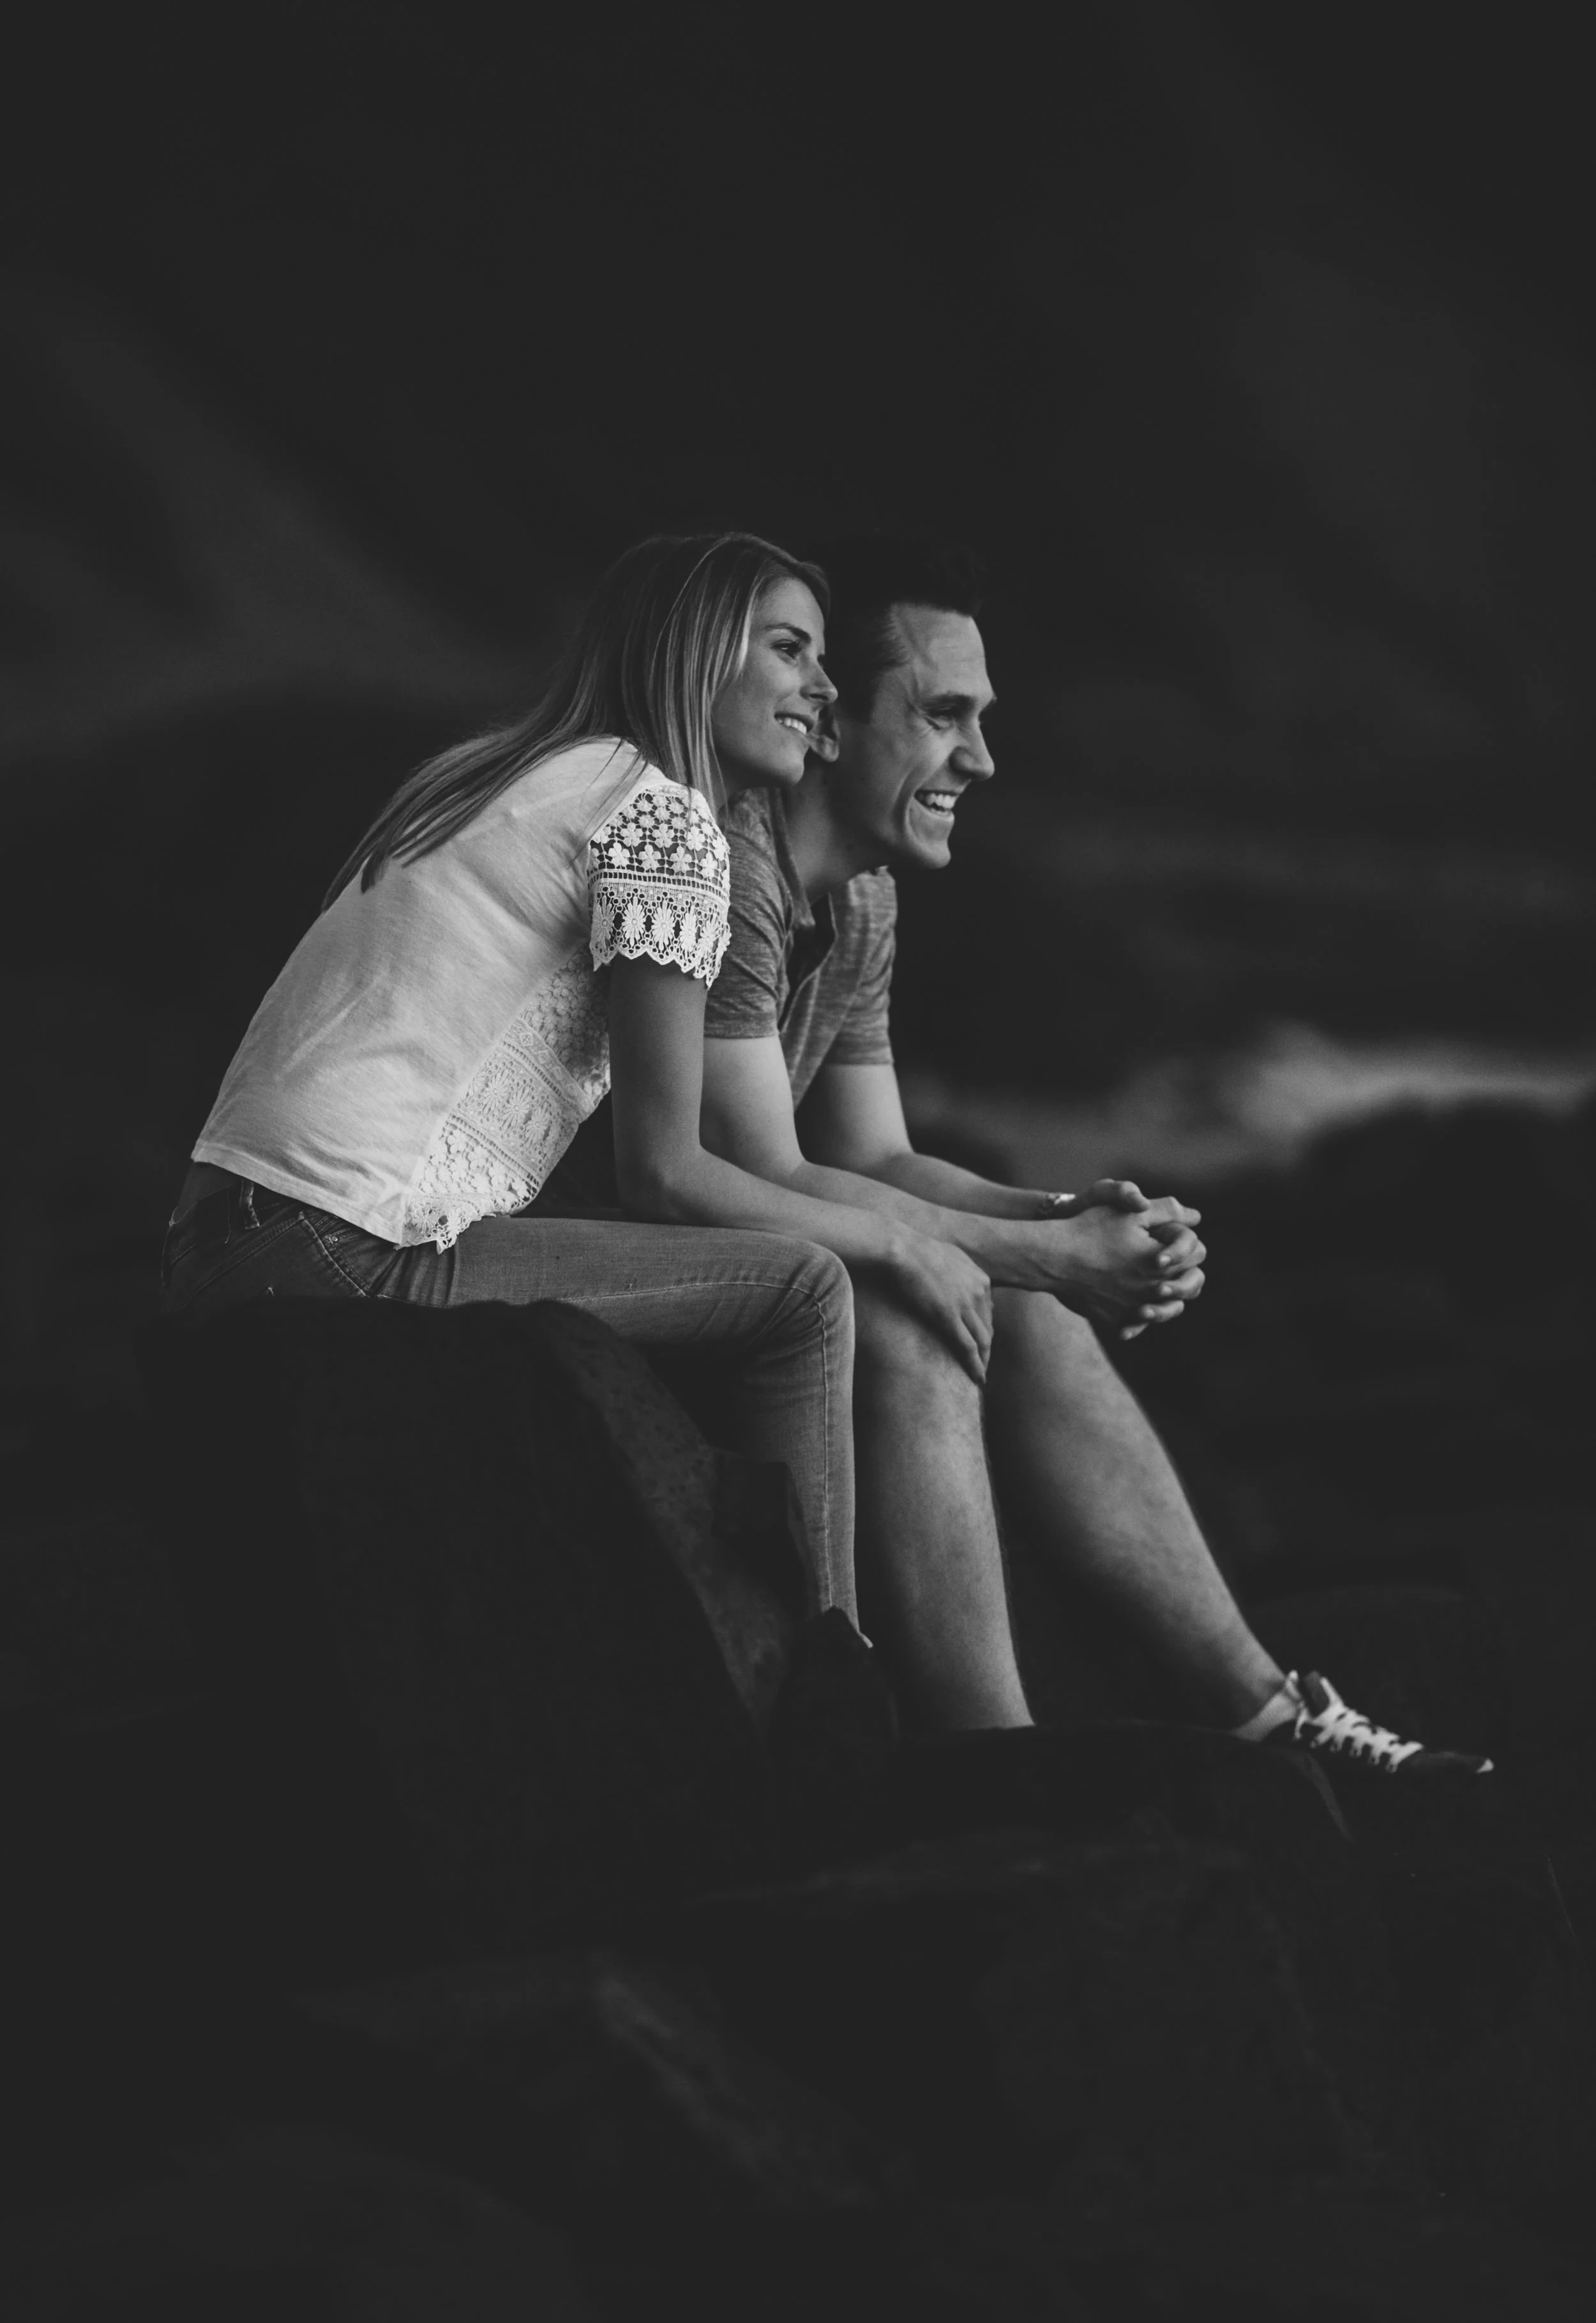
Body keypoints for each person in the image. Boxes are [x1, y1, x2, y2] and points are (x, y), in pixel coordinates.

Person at [691, 533, 1491, 1778]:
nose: (981, 757)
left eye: (983, 718)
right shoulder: (727, 871)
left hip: (769, 1244)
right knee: (925, 1315)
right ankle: (996, 1765)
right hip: (660, 1258)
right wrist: (1034, 1247)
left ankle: (1268, 1711)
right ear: (833, 720)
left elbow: (878, 1155)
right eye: (944, 715)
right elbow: (758, 1172)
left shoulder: (862, 902)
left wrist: (1070, 1215)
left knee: (1037, 1309)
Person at [161, 531, 869, 1618]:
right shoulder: (666, 822)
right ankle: (834, 1667)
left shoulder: (498, 777)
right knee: (807, 1291)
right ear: (697, 651)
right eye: (790, 649)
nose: (825, 689)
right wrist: (907, 1242)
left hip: (216, 1244)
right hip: (342, 1254)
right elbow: (668, 1175)